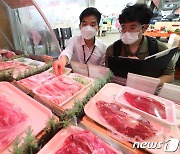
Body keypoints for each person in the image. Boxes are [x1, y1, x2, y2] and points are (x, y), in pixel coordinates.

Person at [105, 3, 175, 86]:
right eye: (123, 27)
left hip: (148, 92)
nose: (127, 32)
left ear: (145, 27)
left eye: (132, 28)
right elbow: (107, 73)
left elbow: (169, 76)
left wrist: (148, 82)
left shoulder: (159, 49)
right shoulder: (113, 49)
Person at [53, 7, 107, 75]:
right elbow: (67, 52)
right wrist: (63, 60)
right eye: (84, 24)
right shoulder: (74, 40)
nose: (88, 28)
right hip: (74, 77)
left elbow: (101, 69)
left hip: (93, 79)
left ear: (98, 28)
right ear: (80, 26)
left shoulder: (103, 47)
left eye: (92, 25)